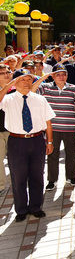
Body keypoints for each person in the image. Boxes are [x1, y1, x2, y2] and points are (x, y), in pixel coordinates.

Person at [0, 69, 55, 221]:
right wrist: (7, 86)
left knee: (37, 175)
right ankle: (21, 210)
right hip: (17, 142)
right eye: (23, 79)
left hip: (37, 140)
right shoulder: (7, 99)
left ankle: (36, 207)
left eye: (29, 80)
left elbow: (48, 122)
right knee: (19, 177)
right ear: (15, 82)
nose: (26, 83)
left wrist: (49, 141)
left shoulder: (39, 99)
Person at [32, 64, 75, 190]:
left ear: (67, 75)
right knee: (52, 154)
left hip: (69, 126)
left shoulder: (72, 88)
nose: (61, 77)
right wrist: (44, 77)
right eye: (57, 74)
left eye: (63, 74)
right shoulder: (46, 87)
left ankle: (71, 177)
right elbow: (32, 90)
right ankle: (52, 180)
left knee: (71, 153)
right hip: (52, 128)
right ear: (53, 76)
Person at [0, 65, 11, 194]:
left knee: (15, 159)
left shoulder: (16, 88)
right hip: (0, 130)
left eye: (8, 72)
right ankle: (1, 186)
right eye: (2, 73)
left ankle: (18, 182)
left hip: (13, 130)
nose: (6, 74)